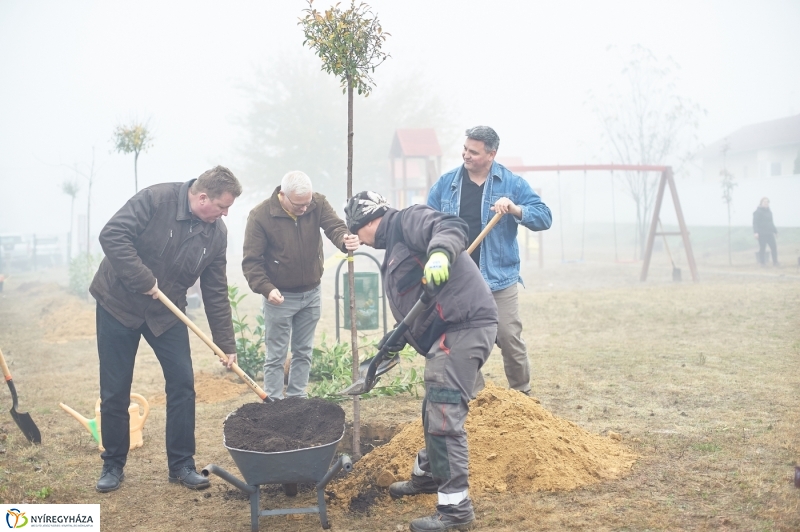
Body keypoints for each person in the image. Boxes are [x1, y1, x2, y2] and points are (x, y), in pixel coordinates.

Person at [344, 191, 498, 532]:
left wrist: (440, 255)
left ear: (370, 221)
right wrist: (393, 341)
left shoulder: (407, 220)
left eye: (359, 231)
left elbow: (450, 225)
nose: (363, 241)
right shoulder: (395, 246)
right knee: (434, 408)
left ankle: (455, 510)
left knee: (444, 414)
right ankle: (427, 476)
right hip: (451, 328)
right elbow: (418, 303)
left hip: (465, 326)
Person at [89, 166, 242, 493]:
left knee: (183, 383)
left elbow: (215, 290)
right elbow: (112, 234)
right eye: (222, 206)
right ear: (203, 198)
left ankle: (182, 464)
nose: (226, 213)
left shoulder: (216, 233)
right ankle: (113, 464)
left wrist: (225, 343)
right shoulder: (156, 199)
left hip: (166, 312)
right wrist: (142, 279)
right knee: (116, 389)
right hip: (118, 303)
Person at [427, 126, 551, 396]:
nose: (466, 155)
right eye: (465, 149)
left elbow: (544, 217)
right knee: (461, 343)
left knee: (509, 338)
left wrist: (516, 209)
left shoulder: (511, 184)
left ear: (492, 154)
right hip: (459, 281)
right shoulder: (447, 184)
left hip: (499, 280)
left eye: (474, 151)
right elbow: (425, 221)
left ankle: (522, 396)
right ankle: (479, 399)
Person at [242, 171, 358, 400]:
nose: (305, 209)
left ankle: (297, 399)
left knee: (303, 352)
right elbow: (251, 262)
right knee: (276, 356)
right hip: (279, 296)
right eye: (299, 205)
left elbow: (334, 226)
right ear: (282, 195)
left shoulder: (317, 203)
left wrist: (345, 238)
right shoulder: (260, 216)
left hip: (311, 294)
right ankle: (274, 403)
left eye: (308, 203)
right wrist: (266, 288)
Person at [753, 197, 778, 266]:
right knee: (762, 248)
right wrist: (756, 232)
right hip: (762, 233)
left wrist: (775, 231)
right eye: (764, 202)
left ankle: (775, 262)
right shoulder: (757, 212)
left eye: (767, 202)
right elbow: (755, 223)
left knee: (774, 247)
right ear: (761, 203)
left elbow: (771, 222)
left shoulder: (770, 212)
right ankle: (762, 263)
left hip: (770, 233)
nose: (766, 203)